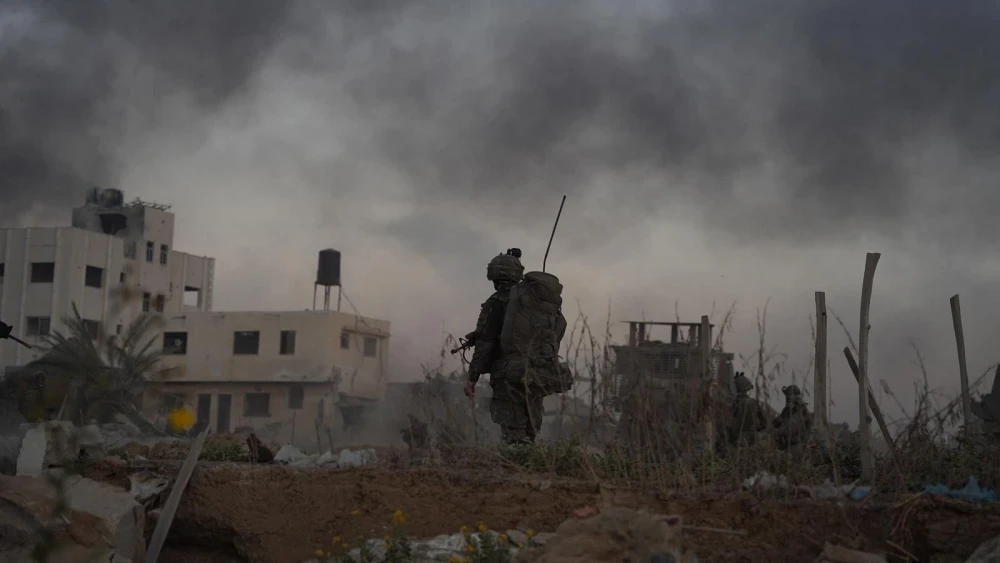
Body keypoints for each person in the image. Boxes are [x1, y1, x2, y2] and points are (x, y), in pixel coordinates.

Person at [464, 248, 544, 445]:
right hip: (538, 372)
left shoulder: (497, 302)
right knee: (529, 429)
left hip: (509, 373)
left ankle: (517, 467)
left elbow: (485, 343)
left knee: (513, 432)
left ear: (493, 276)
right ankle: (530, 466)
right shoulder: (538, 302)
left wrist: (472, 377)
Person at [729, 372, 767, 448]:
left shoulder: (735, 403)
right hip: (753, 439)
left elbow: (728, 423)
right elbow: (764, 423)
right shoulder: (754, 402)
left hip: (738, 439)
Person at [773, 384, 812, 450]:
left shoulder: (801, 411)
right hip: (787, 445)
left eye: (788, 397)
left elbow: (790, 429)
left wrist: (776, 431)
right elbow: (777, 421)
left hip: (797, 447)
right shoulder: (788, 410)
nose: (787, 400)